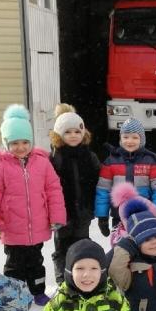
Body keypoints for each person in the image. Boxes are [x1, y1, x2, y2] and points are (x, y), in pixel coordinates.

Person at [0, 104, 66, 306]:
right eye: (15, 143)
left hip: (36, 226)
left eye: (25, 142)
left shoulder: (42, 163)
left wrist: (57, 217)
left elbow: (54, 190)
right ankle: (13, 295)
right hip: (12, 228)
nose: (21, 147)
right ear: (6, 143)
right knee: (14, 265)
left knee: (36, 262)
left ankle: (38, 291)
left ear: (31, 141)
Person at [49, 104, 101, 284]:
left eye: (77, 132)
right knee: (62, 246)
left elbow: (98, 182)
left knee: (81, 244)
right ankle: (62, 279)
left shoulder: (89, 156)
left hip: (84, 210)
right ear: (59, 135)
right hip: (62, 211)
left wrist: (96, 206)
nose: (73, 135)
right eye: (68, 132)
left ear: (83, 134)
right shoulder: (55, 157)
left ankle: (80, 278)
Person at [95, 117, 156, 238]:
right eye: (126, 137)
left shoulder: (151, 161)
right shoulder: (111, 162)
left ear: (142, 140)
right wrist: (102, 216)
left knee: (143, 245)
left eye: (135, 137)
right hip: (119, 216)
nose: (130, 141)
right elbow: (103, 190)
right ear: (120, 138)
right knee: (120, 247)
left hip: (145, 214)